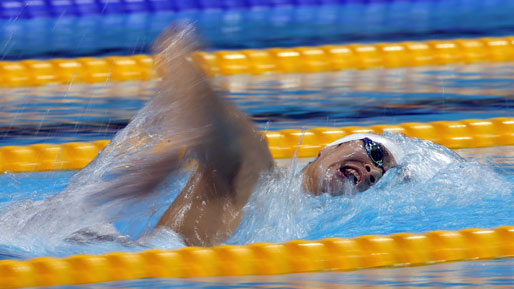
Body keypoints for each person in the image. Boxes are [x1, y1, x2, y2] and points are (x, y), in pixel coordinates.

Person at [96, 24, 399, 247]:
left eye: (379, 177)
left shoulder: (298, 222)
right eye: (375, 153)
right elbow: (183, 70)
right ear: (329, 148)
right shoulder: (255, 166)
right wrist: (175, 149)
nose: (374, 171)